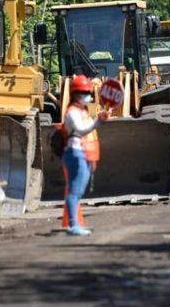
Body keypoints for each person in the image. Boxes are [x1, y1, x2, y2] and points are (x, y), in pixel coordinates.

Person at [62, 75, 109, 236]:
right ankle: (73, 225)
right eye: (84, 92)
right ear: (76, 94)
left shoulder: (82, 112)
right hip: (75, 153)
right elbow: (82, 130)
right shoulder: (72, 113)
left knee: (78, 190)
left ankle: (74, 224)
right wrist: (98, 120)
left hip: (83, 153)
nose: (88, 95)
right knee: (75, 190)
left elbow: (90, 135)